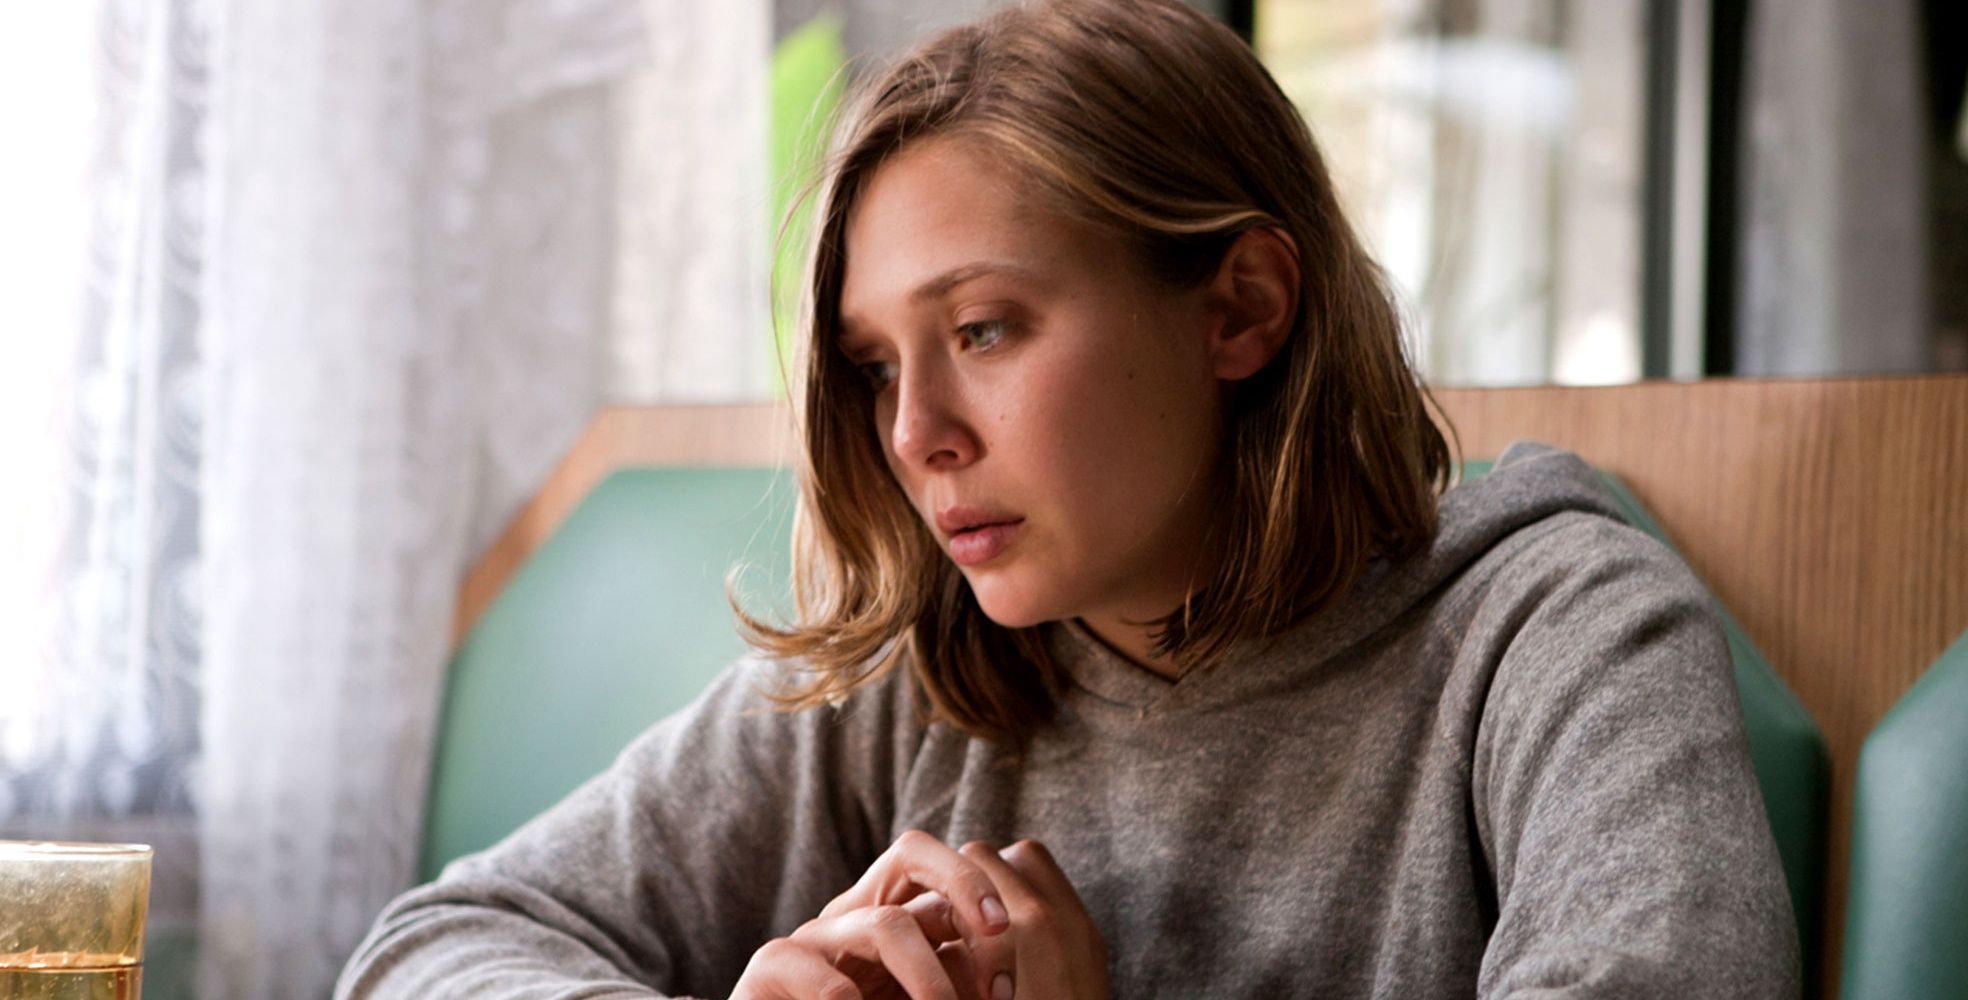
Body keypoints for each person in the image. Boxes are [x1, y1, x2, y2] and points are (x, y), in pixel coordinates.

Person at [337, 1, 1800, 997]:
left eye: (982, 330)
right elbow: (432, 947)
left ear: (1241, 307)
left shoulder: (1551, 637)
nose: (916, 434)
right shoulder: (922, 678)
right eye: (871, 364)